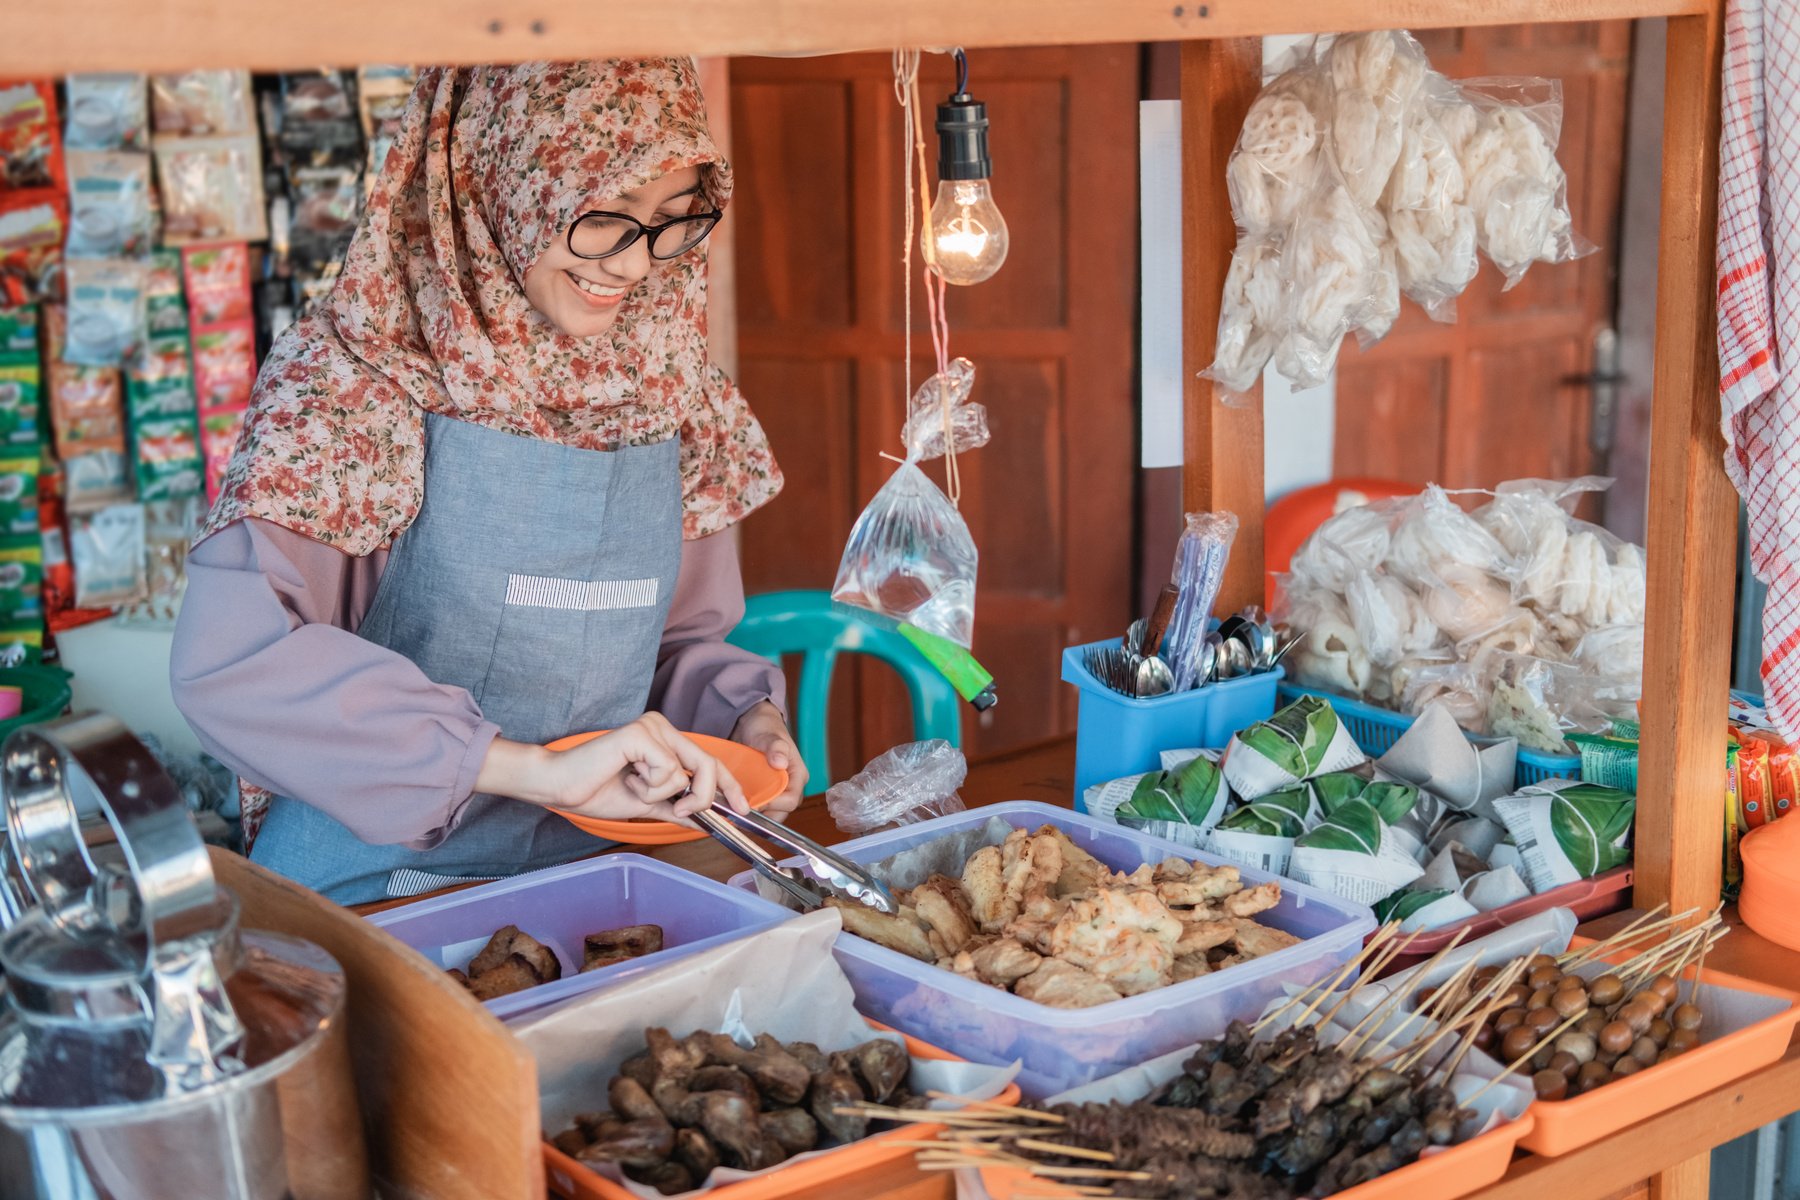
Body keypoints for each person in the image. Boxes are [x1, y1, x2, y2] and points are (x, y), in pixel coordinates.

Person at [170, 59, 804, 905]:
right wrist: (529, 771)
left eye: (669, 221)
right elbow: (239, 664)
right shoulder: (355, 383)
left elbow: (681, 647)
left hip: (606, 882)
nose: (633, 265)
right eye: (603, 215)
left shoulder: (668, 388)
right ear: (496, 177)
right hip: (373, 895)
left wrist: (744, 720)